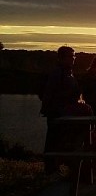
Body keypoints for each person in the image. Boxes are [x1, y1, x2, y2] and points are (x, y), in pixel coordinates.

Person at [40, 46, 81, 177]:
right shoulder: (58, 73)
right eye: (70, 56)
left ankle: (57, 166)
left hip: (66, 112)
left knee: (62, 139)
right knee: (53, 139)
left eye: (74, 56)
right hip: (57, 112)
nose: (73, 59)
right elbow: (50, 92)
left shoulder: (68, 72)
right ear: (61, 58)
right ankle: (51, 168)